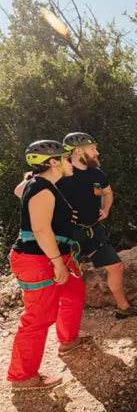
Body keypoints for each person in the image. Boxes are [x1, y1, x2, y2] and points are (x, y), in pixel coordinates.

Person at [14, 133, 137, 319]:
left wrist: (106, 210)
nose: (97, 152)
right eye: (93, 148)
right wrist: (55, 214)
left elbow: (107, 193)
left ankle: (123, 307)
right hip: (68, 234)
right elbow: (21, 191)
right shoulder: (60, 170)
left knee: (116, 266)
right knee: (67, 277)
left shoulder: (96, 174)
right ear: (79, 150)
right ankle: (68, 322)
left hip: (94, 230)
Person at [8, 140, 90, 391]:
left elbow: (20, 191)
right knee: (38, 317)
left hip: (53, 256)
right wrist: (58, 264)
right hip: (40, 259)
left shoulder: (43, 185)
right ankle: (23, 376)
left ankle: (68, 341)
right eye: (66, 159)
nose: (71, 163)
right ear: (53, 163)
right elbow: (41, 229)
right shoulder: (42, 188)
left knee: (74, 295)